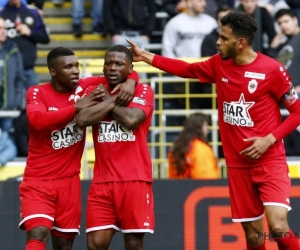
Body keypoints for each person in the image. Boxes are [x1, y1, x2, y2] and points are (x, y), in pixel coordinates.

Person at [127, 11, 300, 250]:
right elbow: (186, 69)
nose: (217, 42)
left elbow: (297, 112)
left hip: (269, 161)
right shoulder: (219, 64)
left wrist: (269, 139)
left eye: (223, 38)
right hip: (238, 165)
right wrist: (145, 56)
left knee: (278, 228)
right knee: (253, 236)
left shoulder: (272, 70)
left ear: (241, 42)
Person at [18, 46, 139, 250]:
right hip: (39, 181)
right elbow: (37, 121)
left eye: (76, 66)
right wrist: (76, 107)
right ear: (53, 72)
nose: (75, 70)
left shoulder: (85, 88)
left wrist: (132, 80)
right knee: (38, 232)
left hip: (70, 182)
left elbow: (118, 72)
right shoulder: (37, 92)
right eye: (68, 67)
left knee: (64, 244)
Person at [75, 44, 155, 250]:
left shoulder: (143, 89)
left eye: (119, 64)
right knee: (95, 245)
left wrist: (106, 102)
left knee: (134, 244)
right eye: (108, 63)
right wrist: (114, 99)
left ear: (130, 68)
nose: (112, 67)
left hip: (135, 179)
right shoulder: (94, 89)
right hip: (102, 181)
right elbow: (82, 119)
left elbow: (131, 119)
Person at [0, 0, 50, 90]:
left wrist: (30, 32)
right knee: (7, 102)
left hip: (28, 69)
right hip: (6, 71)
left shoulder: (33, 12)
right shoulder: (1, 13)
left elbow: (46, 38)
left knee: (31, 102)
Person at [168, 112, 219, 178]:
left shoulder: (176, 147)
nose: (207, 128)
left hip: (176, 186)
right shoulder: (201, 149)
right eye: (205, 125)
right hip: (198, 186)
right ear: (199, 128)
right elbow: (207, 177)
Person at [267, 9, 300, 97]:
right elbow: (271, 67)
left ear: (295, 20)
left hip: (296, 94)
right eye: (280, 23)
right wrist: (273, 47)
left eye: (286, 21)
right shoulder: (283, 44)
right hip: (282, 92)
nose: (283, 25)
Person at [0, 17, 24, 133]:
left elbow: (20, 79)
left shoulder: (14, 51)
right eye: (0, 28)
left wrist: (18, 103)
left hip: (9, 106)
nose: (3, 31)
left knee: (6, 139)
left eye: (4, 28)